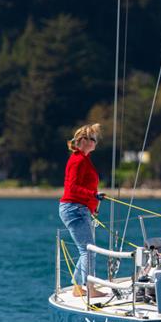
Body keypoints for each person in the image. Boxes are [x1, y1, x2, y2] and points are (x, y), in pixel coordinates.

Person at [58, 123, 107, 297]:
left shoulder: (83, 160)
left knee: (85, 250)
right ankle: (90, 289)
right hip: (74, 209)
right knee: (88, 250)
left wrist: (93, 205)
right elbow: (72, 188)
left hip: (79, 209)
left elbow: (83, 188)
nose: (95, 142)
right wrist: (93, 195)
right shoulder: (78, 160)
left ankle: (78, 287)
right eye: (92, 139)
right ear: (83, 141)